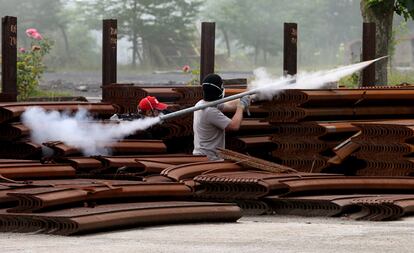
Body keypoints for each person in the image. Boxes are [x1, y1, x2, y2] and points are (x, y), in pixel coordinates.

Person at [193, 73, 250, 160]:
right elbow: (234, 126)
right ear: (220, 90)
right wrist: (241, 106)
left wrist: (246, 98)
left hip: (202, 155)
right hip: (210, 159)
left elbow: (228, 105)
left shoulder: (201, 104)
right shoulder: (210, 112)